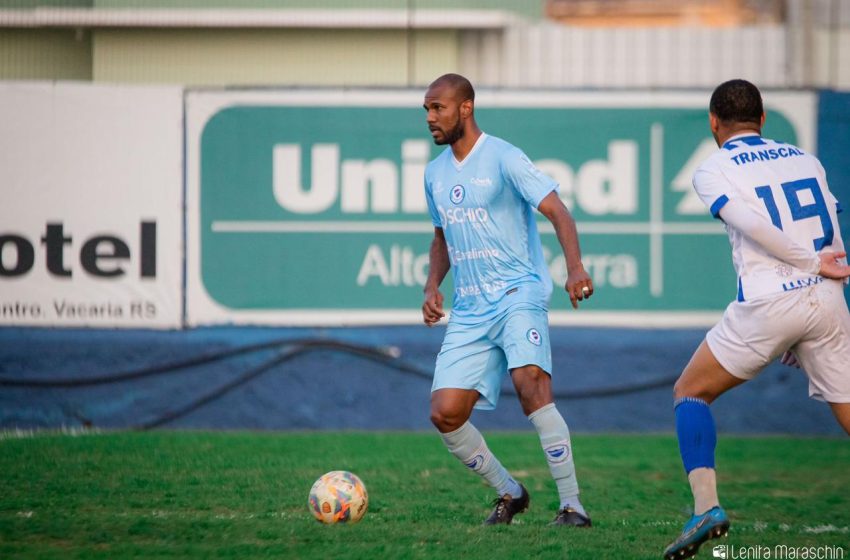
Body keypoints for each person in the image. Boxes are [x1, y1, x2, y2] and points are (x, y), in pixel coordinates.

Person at [664, 79, 850, 560]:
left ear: (713, 123)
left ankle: (707, 508)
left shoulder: (713, 169)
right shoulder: (805, 159)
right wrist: (823, 277)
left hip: (771, 301)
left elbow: (753, 225)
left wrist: (806, 270)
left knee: (691, 391)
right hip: (828, 297)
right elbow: (830, 231)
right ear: (763, 119)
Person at [420, 73, 594, 527]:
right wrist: (432, 285)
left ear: (465, 108)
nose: (430, 118)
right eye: (427, 110)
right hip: (471, 308)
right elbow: (442, 238)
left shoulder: (503, 156)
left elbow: (558, 211)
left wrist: (574, 268)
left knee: (530, 382)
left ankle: (573, 505)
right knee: (445, 413)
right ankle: (510, 492)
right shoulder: (435, 173)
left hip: (519, 292)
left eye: (438, 108)